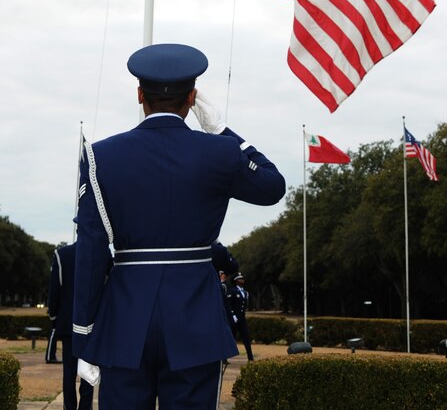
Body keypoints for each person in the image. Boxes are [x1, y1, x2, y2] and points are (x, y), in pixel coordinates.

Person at [72, 43, 286, 410]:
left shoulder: (100, 156)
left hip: (124, 321)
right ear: (192, 98)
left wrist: (84, 337)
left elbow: (91, 251)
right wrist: (222, 130)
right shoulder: (219, 152)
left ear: (140, 95)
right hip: (196, 319)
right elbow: (271, 186)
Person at [48, 242, 94, 410]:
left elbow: (54, 290)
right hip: (91, 323)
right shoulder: (99, 253)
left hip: (68, 323)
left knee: (69, 372)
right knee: (88, 374)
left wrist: (54, 317)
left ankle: (69, 407)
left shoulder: (62, 254)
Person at [227, 272, 254, 361]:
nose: (242, 280)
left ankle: (250, 357)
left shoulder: (245, 292)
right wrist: (232, 315)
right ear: (236, 281)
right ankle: (224, 358)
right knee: (230, 338)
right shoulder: (232, 290)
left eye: (242, 278)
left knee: (246, 337)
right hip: (234, 319)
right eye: (240, 278)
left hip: (242, 319)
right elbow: (229, 304)